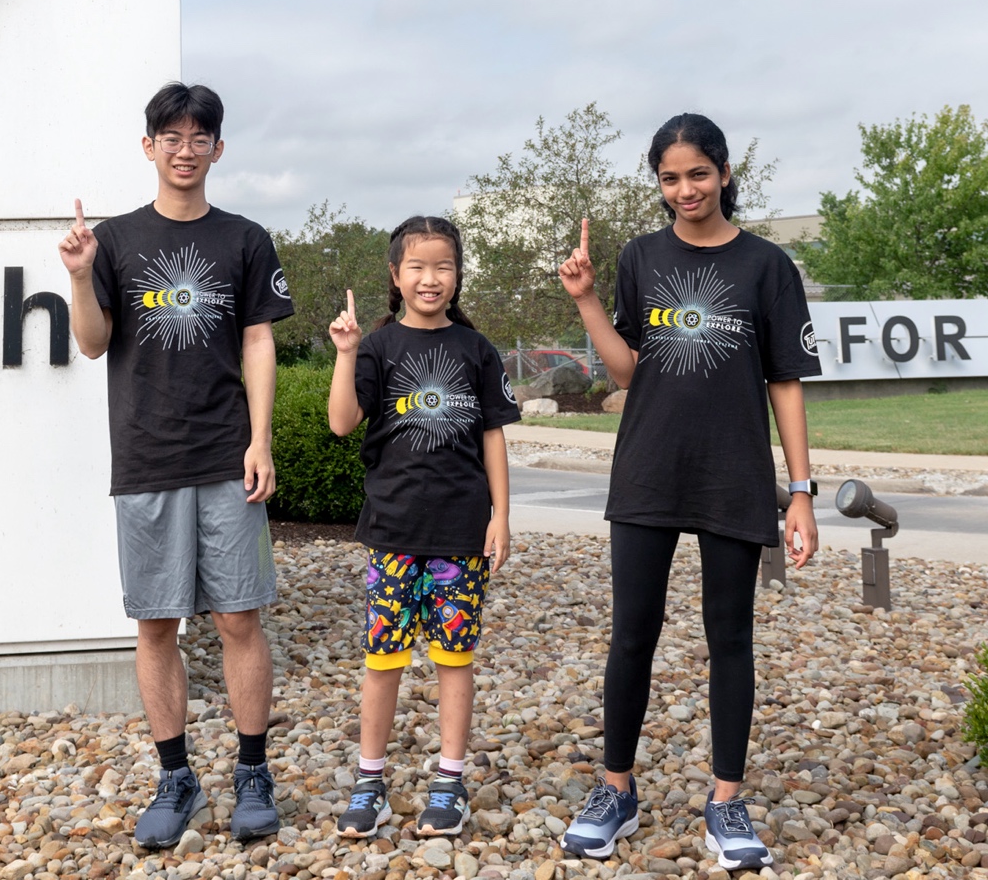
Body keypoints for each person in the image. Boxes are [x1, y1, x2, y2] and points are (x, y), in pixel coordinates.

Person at [552, 113, 821, 873]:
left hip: (735, 474)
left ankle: (726, 800)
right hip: (647, 472)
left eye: (698, 173)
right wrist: (587, 299)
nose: (685, 189)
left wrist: (800, 491)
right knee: (631, 633)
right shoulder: (640, 256)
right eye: (669, 178)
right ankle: (615, 789)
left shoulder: (768, 266)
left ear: (725, 173)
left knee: (729, 637)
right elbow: (628, 371)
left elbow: (786, 384)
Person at [59, 82, 296, 849]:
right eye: (172, 135)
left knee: (237, 616)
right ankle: (175, 776)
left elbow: (259, 341)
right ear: (149, 146)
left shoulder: (246, 238)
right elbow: (92, 341)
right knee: (157, 621)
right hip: (147, 454)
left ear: (218, 149)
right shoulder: (118, 241)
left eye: (200, 136)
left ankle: (252, 771)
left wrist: (261, 439)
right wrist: (77, 273)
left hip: (228, 453)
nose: (185, 148)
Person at [322, 216, 518, 842]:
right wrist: (346, 353)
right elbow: (342, 423)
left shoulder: (476, 349)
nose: (431, 279)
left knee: (453, 659)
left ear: (458, 274)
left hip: (461, 533)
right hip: (393, 531)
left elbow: (492, 436)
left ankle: (449, 782)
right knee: (384, 659)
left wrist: (501, 515)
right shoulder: (378, 348)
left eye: (444, 266)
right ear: (395, 275)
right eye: (418, 267)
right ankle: (370, 783)